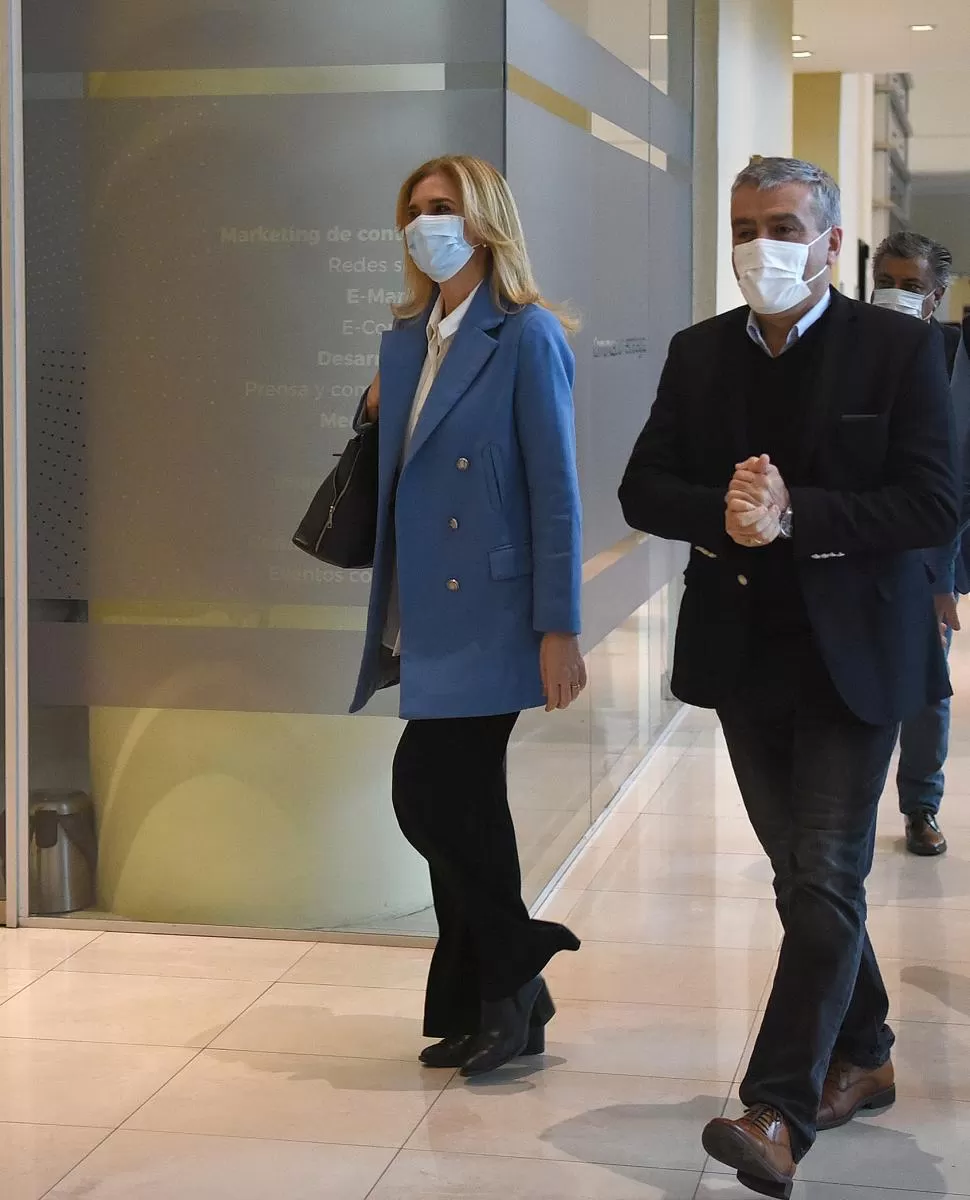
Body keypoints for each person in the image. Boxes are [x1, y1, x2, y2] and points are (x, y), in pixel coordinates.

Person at [619, 157, 957, 1198]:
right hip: (744, 653)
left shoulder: (900, 348)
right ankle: (867, 1050)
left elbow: (933, 503)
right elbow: (643, 487)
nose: (759, 245)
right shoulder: (699, 352)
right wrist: (724, 512)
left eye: (781, 226)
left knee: (824, 876)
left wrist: (796, 510)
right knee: (801, 875)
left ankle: (776, 1110)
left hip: (858, 655)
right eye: (743, 228)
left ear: (830, 243)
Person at [350, 155, 585, 1079]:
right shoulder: (408, 342)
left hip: (492, 609)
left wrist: (559, 627)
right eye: (414, 211)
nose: (426, 225)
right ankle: (496, 998)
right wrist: (372, 409)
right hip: (422, 605)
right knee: (466, 805)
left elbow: (556, 492)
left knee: (431, 794)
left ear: (484, 220)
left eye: (443, 207)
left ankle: (511, 972)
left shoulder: (526, 335)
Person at [872, 231, 967, 855]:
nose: (898, 295)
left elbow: (959, 476)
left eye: (912, 286)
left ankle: (920, 807)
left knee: (928, 686)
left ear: (937, 295)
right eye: (887, 283)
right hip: (856, 541)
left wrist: (941, 578)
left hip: (932, 547)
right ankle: (845, 810)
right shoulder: (848, 347)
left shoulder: (953, 358)